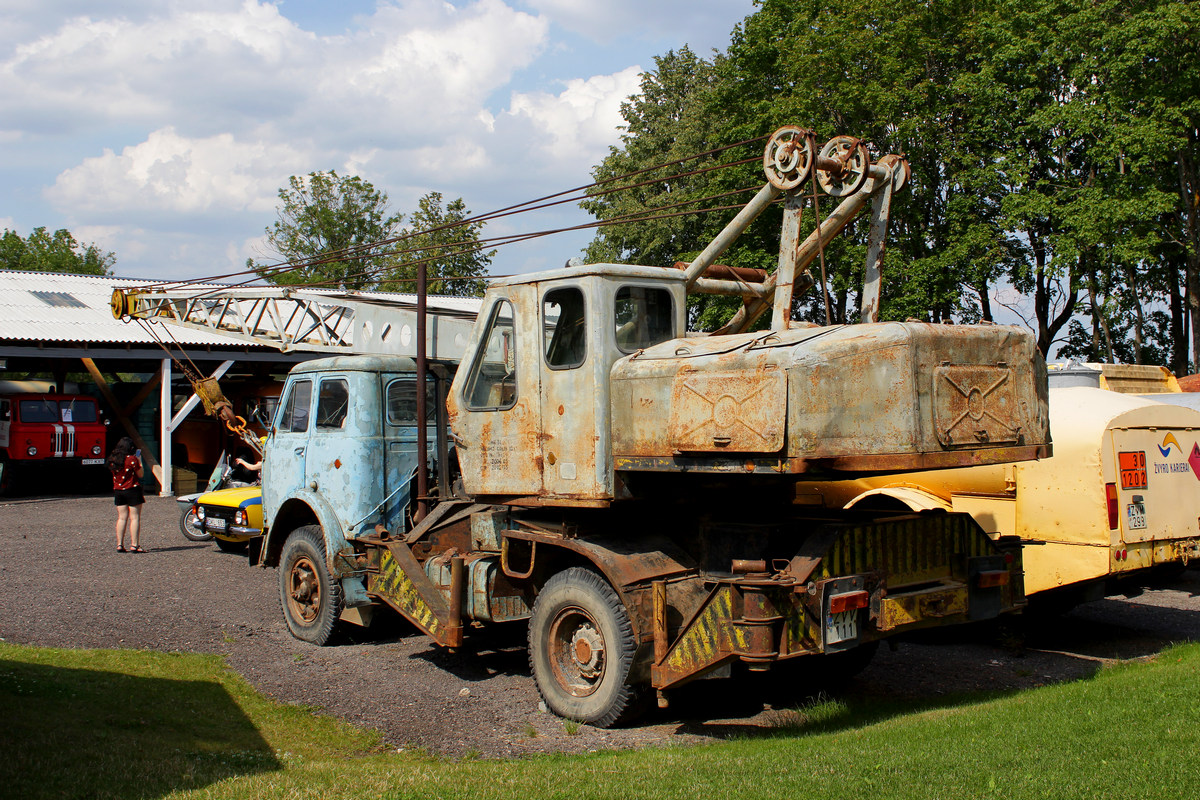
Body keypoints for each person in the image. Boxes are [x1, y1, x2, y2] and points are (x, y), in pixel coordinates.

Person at [107, 436, 145, 552]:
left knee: (122, 518)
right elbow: (141, 474)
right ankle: (134, 545)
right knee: (135, 518)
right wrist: (140, 461)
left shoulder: (113, 459)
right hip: (132, 489)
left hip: (118, 490)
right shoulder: (132, 459)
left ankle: (120, 544)